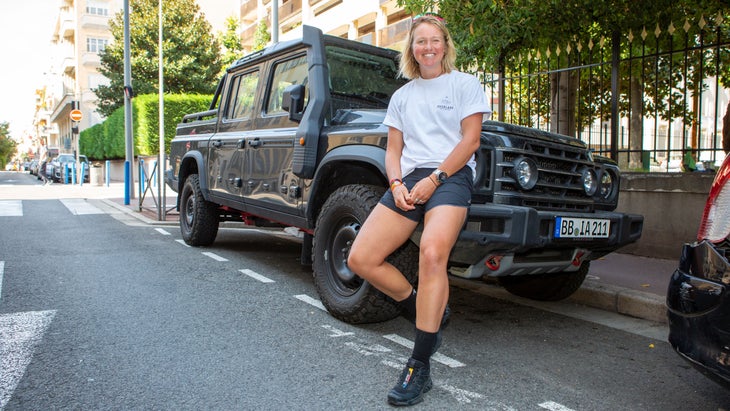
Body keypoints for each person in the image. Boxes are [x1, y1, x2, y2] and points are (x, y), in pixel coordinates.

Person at [347, 13, 491, 406]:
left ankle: (419, 363)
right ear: (412, 48)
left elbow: (471, 141)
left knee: (431, 253)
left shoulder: (464, 84)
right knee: (361, 257)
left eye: (434, 40)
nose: (427, 47)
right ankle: (419, 305)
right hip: (408, 179)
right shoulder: (403, 95)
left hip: (452, 175)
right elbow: (393, 151)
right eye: (420, 41)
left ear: (445, 45)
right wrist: (395, 184)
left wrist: (436, 180)